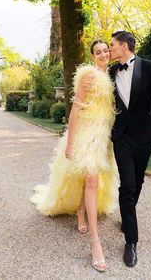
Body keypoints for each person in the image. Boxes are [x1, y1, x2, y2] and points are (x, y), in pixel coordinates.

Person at [30, 40, 118, 272]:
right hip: (85, 134)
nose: (103, 54)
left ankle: (81, 210)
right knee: (90, 180)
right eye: (98, 52)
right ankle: (96, 244)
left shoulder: (110, 76)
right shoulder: (88, 75)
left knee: (92, 178)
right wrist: (69, 143)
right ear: (92, 56)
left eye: (105, 51)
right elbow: (76, 109)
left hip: (103, 136)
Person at [109, 31, 151, 267]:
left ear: (124, 46)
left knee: (137, 181)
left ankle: (127, 216)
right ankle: (131, 241)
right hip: (121, 136)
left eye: (112, 45)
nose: (109, 49)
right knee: (127, 184)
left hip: (145, 135)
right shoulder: (110, 73)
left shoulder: (148, 67)